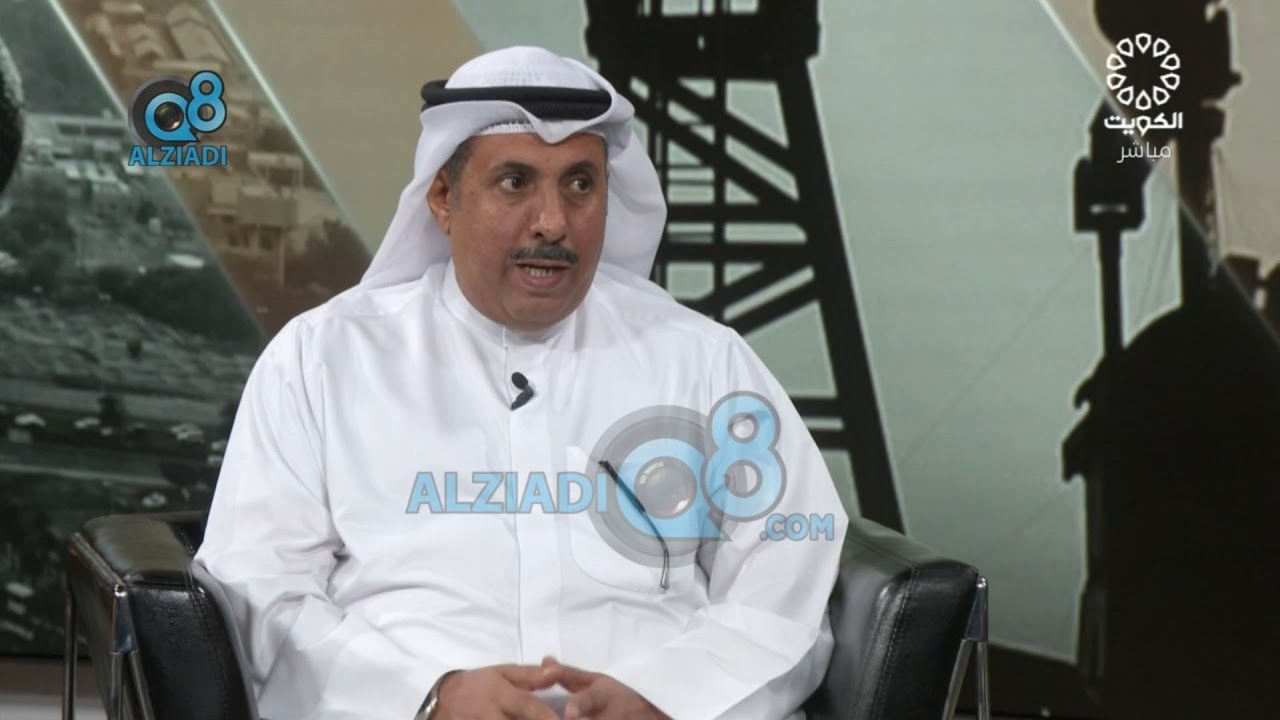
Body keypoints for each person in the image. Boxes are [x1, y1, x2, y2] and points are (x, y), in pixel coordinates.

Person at [195, 46, 849, 720]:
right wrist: (430, 696)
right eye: (515, 182)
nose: (553, 222)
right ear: (444, 199)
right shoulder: (324, 357)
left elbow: (788, 569)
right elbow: (259, 586)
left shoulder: (702, 359)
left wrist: (666, 697)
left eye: (580, 184)